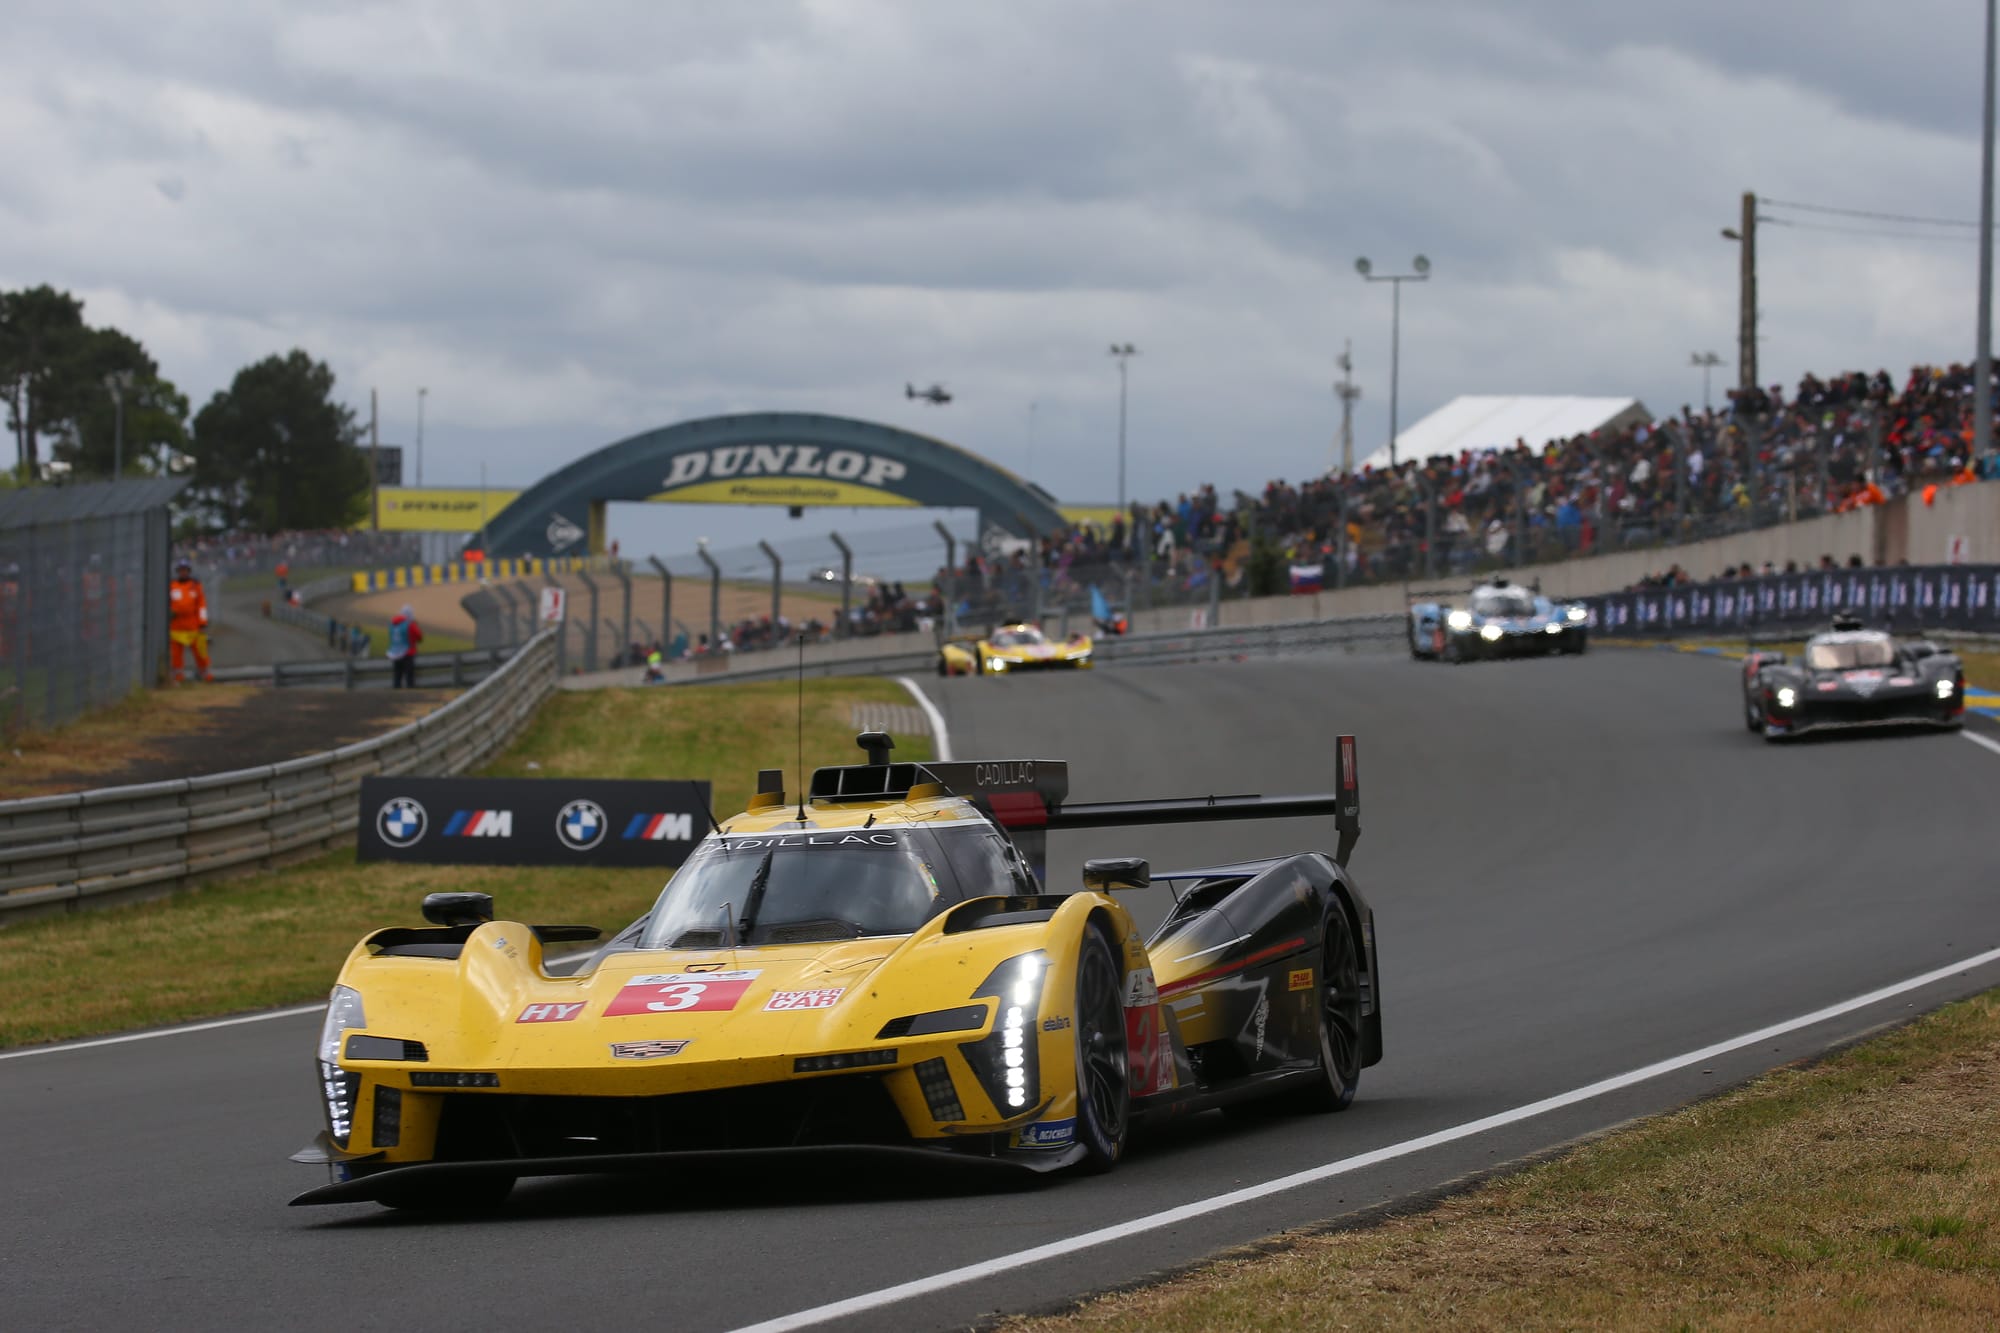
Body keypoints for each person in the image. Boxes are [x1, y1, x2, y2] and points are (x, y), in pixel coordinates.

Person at [167, 559, 212, 683]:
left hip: (193, 626)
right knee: (176, 654)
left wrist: (203, 622)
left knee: (200, 651)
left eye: (185, 570)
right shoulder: (172, 586)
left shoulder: (195, 586)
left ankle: (205, 674)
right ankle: (178, 676)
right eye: (181, 570)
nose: (183, 573)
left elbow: (201, 605)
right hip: (176, 626)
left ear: (189, 571)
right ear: (178, 572)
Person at [387, 604, 423, 688]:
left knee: (397, 675)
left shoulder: (393, 624)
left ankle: (396, 694)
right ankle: (410, 694)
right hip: (408, 653)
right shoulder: (410, 624)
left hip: (395, 653)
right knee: (409, 676)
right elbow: (419, 636)